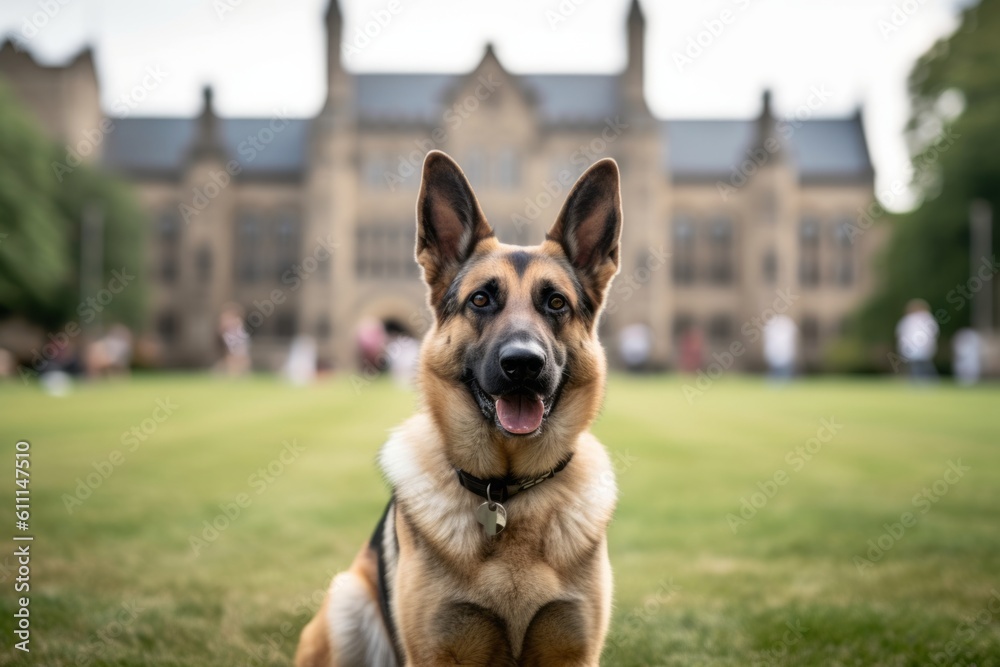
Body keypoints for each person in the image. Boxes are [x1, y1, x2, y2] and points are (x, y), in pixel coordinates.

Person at [895, 299, 939, 381]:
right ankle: (926, 381)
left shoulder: (909, 319)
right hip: (920, 348)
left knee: (918, 365)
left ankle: (922, 381)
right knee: (921, 365)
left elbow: (901, 333)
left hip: (914, 348)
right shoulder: (925, 318)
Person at [763, 314, 797, 380]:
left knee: (784, 373)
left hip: (785, 356)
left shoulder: (787, 328)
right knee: (776, 372)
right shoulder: (772, 330)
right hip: (774, 356)